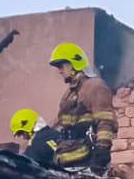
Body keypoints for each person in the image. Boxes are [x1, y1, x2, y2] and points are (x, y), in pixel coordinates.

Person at [49, 43, 116, 171]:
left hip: (86, 160)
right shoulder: (68, 94)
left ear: (74, 63)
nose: (60, 71)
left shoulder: (95, 86)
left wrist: (102, 149)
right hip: (67, 158)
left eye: (61, 66)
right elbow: (60, 124)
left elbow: (105, 120)